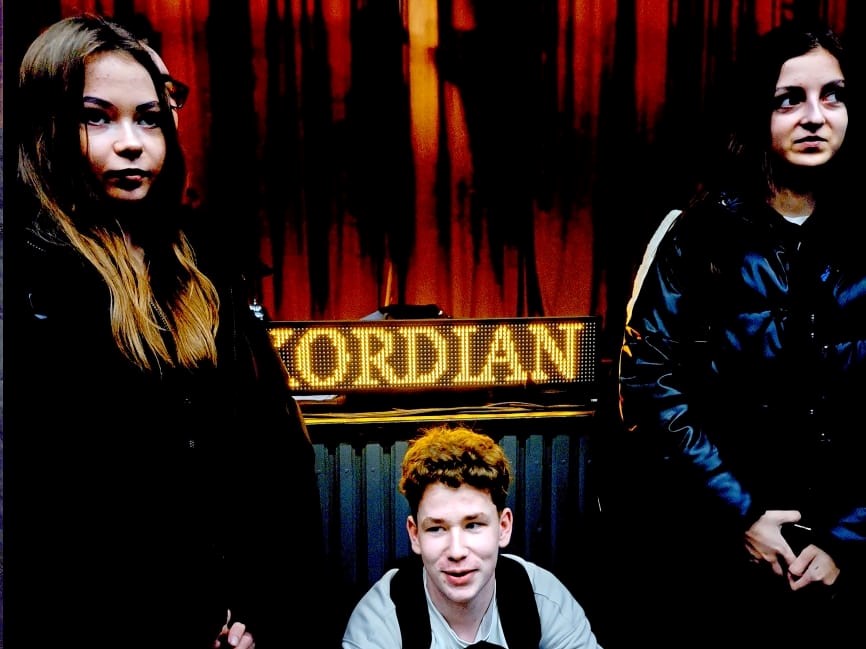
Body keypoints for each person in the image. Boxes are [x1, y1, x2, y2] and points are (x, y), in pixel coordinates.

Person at [8, 13, 327, 648]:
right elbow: (53, 508)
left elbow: (273, 466)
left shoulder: (205, 269)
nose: (132, 143)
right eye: (96, 117)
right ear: (46, 128)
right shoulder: (25, 279)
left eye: (150, 118)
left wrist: (257, 611)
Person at [615, 19, 865, 649]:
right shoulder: (700, 235)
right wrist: (742, 514)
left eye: (832, 96)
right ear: (759, 111)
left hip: (849, 559)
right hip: (719, 555)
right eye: (789, 99)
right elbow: (649, 382)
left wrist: (847, 539)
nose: (814, 117)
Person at [342, 424, 603, 649]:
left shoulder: (540, 599)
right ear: (415, 535)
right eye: (436, 528)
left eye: (473, 525)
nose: (456, 551)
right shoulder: (380, 621)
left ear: (503, 527)